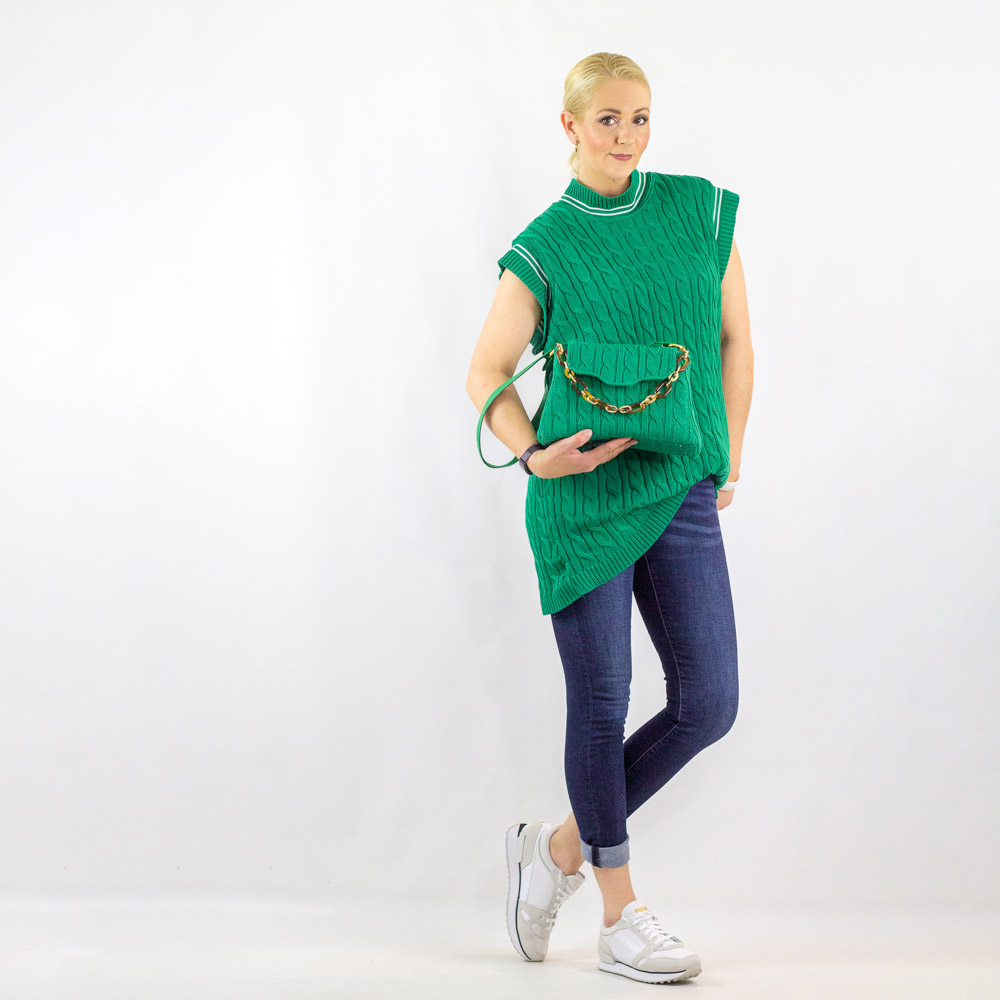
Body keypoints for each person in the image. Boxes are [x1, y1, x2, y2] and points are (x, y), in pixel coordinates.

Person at [466, 52, 753, 985]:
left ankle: (554, 849)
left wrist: (729, 452)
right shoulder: (547, 243)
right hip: (581, 500)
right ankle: (620, 915)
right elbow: (484, 372)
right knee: (602, 701)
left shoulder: (696, 210)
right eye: (607, 121)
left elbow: (733, 339)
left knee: (709, 703)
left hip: (681, 485)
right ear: (570, 126)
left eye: (640, 119)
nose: (626, 137)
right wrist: (531, 452)